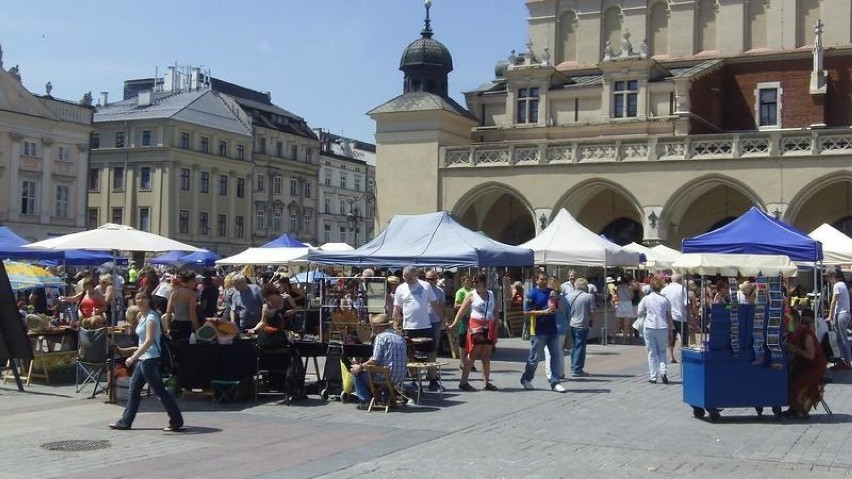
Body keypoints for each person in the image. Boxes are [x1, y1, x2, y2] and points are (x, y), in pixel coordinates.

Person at [109, 291, 184, 431]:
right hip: (143, 359)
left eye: (144, 297)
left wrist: (133, 357)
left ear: (149, 300)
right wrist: (132, 351)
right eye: (138, 298)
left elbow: (149, 341)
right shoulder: (142, 316)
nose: (140, 300)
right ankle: (125, 422)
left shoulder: (151, 317)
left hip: (150, 360)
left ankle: (176, 421)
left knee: (160, 392)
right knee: (134, 391)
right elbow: (143, 341)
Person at [393, 266, 443, 391]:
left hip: (425, 325)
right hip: (408, 327)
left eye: (410, 278)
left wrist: (443, 319)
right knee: (410, 354)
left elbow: (435, 305)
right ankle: (414, 380)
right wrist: (395, 325)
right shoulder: (400, 288)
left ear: (416, 275)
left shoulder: (426, 286)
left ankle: (433, 380)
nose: (407, 280)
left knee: (431, 353)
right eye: (405, 277)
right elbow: (396, 309)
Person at [450, 272, 498, 391]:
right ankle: (463, 382)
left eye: (477, 282)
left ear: (484, 283)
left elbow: (495, 309)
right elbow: (462, 310)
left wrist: (496, 323)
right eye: (473, 282)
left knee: (486, 355)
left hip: (489, 325)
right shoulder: (471, 295)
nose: (474, 284)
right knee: (472, 354)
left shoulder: (491, 294)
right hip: (476, 326)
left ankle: (486, 382)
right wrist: (455, 323)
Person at [350, 313, 408, 410]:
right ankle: (386, 398)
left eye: (374, 328)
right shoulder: (399, 337)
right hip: (399, 376)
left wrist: (360, 366)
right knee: (382, 370)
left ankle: (365, 401)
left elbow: (375, 360)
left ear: (378, 328)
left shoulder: (381, 337)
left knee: (357, 374)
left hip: (386, 375)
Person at [520, 273, 566, 393]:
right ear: (537, 280)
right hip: (538, 331)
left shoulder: (551, 292)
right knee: (534, 358)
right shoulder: (532, 294)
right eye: (542, 279)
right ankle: (526, 379)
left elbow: (559, 308)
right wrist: (543, 312)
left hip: (552, 330)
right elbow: (526, 312)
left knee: (555, 357)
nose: (544, 281)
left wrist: (557, 299)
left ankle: (555, 382)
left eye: (546, 279)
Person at [782, 309, 828, 418]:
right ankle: (793, 407)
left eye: (788, 322)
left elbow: (810, 355)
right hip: (803, 365)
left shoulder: (805, 332)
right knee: (789, 377)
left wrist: (794, 349)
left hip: (814, 366)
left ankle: (800, 408)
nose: (786, 325)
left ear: (795, 322)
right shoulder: (792, 333)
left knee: (798, 380)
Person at [637, 278, 674, 384]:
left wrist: (645, 312)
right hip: (662, 327)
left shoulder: (646, 299)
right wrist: (671, 331)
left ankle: (653, 376)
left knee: (651, 352)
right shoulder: (665, 300)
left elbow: (639, 313)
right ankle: (663, 372)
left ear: (651, 287)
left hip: (649, 327)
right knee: (662, 351)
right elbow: (669, 317)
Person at [566, 278, 596, 377]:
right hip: (581, 325)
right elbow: (592, 311)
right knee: (580, 347)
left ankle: (573, 367)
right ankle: (577, 370)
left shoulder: (568, 296)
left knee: (573, 347)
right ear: (585, 286)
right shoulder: (588, 297)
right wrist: (591, 320)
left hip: (570, 324)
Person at [825, 270, 851, 369]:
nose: (826, 279)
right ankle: (843, 361)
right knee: (841, 339)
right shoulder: (842, 284)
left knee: (842, 338)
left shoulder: (837, 285)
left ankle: (847, 361)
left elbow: (834, 301)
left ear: (832, 276)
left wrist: (830, 316)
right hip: (845, 314)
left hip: (841, 314)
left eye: (827, 277)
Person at [164, 271, 199, 340]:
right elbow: (192, 314)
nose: (195, 283)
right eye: (194, 281)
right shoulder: (191, 295)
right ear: (191, 281)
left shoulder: (173, 293)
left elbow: (168, 312)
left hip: (174, 324)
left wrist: (168, 327)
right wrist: (197, 329)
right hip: (186, 325)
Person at [661, 274, 688, 363]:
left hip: (668, 316)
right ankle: (683, 356)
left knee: (671, 336)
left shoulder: (664, 289)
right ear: (680, 280)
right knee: (683, 337)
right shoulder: (682, 288)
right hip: (681, 316)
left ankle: (671, 356)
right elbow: (686, 303)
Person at [424, 270, 446, 356]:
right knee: (424, 344)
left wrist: (444, 320)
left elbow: (442, 307)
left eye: (431, 279)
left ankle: (432, 362)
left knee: (435, 344)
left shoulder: (440, 291)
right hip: (423, 322)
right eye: (427, 279)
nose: (429, 281)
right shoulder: (421, 290)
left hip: (436, 321)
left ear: (436, 279)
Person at [615, 275, 639, 344]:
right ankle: (624, 340)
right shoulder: (630, 287)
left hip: (620, 304)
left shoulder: (618, 287)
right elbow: (631, 297)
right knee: (627, 325)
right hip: (628, 304)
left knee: (617, 324)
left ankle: (614, 338)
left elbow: (618, 295)